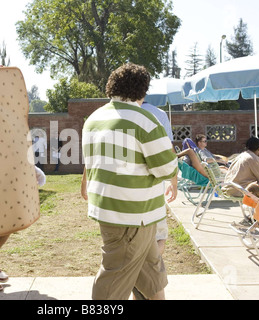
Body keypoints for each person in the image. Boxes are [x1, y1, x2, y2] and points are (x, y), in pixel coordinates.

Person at [81, 63, 178, 300]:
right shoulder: (144, 120)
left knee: (152, 276)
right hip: (135, 215)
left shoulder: (93, 118)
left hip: (109, 210)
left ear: (111, 86)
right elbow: (167, 168)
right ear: (143, 91)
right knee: (113, 280)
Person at [141, 101, 177, 254]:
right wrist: (174, 182)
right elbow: (169, 151)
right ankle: (153, 266)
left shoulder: (114, 113)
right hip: (154, 183)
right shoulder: (159, 114)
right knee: (159, 236)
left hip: (124, 188)